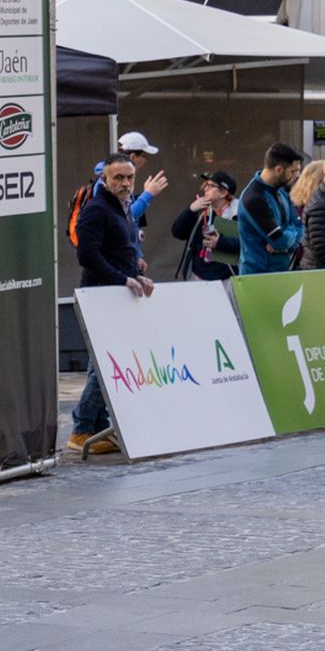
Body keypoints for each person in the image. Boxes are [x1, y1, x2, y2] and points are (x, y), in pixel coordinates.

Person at [70, 154, 154, 455]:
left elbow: (126, 250)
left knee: (106, 361)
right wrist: (122, 278)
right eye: (118, 178)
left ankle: (94, 425)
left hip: (119, 291)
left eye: (129, 177)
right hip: (101, 295)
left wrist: (139, 275)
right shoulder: (96, 209)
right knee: (102, 365)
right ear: (104, 179)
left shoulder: (125, 208)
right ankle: (82, 428)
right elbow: (88, 255)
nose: (125, 183)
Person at [238, 143, 307, 275]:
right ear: (279, 170)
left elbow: (300, 226)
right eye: (293, 171)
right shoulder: (254, 198)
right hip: (258, 276)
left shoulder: (281, 190)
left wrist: (288, 241)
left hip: (280, 272)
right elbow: (280, 242)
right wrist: (290, 236)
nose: (296, 176)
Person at [170, 170, 240, 281]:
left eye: (211, 186)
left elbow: (248, 245)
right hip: (197, 276)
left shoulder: (237, 214)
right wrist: (190, 210)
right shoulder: (200, 210)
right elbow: (177, 233)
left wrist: (221, 242)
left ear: (223, 192)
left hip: (227, 278)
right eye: (206, 185)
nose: (205, 189)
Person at [117, 131, 168, 230]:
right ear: (133, 157)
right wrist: (148, 194)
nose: (146, 161)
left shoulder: (119, 178)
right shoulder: (111, 181)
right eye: (144, 156)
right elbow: (125, 218)